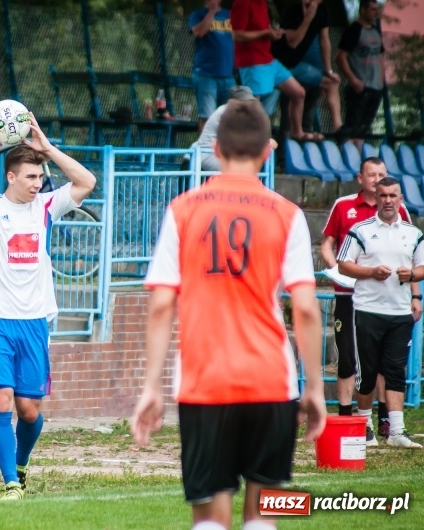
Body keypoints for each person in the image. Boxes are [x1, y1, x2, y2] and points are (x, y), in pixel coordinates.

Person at [131, 99, 326, 530]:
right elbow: (307, 310)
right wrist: (313, 386)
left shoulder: (182, 210)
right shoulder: (287, 215)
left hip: (204, 383)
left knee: (210, 520)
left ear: (215, 150)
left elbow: (162, 303)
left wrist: (151, 388)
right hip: (270, 380)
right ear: (268, 150)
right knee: (264, 517)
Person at [0, 112, 96, 500]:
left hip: (34, 322)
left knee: (29, 410)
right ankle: (10, 483)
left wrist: (47, 149)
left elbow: (87, 181)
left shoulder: (48, 206)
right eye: (30, 176)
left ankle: (20, 464)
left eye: (40, 177)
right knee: (0, 399)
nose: (38, 183)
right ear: (11, 176)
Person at [320, 157, 414, 444]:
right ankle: (351, 418)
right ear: (361, 178)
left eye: (382, 175)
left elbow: (409, 254)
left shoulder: (400, 212)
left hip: (387, 299)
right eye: (372, 175)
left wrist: (415, 294)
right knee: (350, 358)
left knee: (388, 361)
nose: (377, 180)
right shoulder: (344, 206)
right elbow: (328, 244)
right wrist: (339, 273)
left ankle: (387, 421)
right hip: (350, 296)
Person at [337, 176, 423, 449]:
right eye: (383, 195)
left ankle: (397, 430)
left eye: (392, 195)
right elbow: (343, 265)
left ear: (400, 198)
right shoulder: (360, 230)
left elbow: (422, 267)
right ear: (376, 196)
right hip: (367, 309)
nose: (388, 200)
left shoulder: (413, 233)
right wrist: (370, 272)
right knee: (368, 372)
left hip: (399, 313)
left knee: (395, 369)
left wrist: (412, 277)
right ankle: (365, 427)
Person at [230, 0, 308, 140]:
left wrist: (273, 31)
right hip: (252, 62)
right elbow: (237, 35)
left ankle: (297, 132)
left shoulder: (263, 2)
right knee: (254, 106)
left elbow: (262, 28)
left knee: (298, 93)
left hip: (269, 60)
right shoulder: (242, 2)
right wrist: (266, 33)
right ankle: (251, 144)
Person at [272, 0, 342, 140]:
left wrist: (328, 71)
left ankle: (339, 130)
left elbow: (324, 40)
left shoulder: (322, 12)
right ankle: (293, 134)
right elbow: (293, 42)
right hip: (279, 64)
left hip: (297, 65)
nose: (307, 0)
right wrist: (308, 19)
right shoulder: (293, 11)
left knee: (331, 83)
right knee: (295, 95)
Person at [336, 0, 385, 148]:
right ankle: (346, 154)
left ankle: (358, 158)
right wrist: (353, 79)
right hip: (359, 85)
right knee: (352, 125)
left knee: (364, 127)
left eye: (377, 9)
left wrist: (382, 80)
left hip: (376, 85)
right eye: (372, 9)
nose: (376, 13)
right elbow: (341, 57)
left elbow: (381, 55)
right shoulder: (354, 30)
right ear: (363, 10)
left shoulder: (376, 30)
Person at [192, 85, 277, 172]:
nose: (247, 104)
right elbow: (242, 141)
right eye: (243, 101)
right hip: (206, 155)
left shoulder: (243, 113)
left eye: (249, 101)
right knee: (242, 167)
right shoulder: (225, 112)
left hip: (219, 155)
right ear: (231, 102)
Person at [189, 0, 235, 132]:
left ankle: (223, 152)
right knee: (207, 118)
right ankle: (203, 152)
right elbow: (199, 32)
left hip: (228, 75)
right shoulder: (197, 15)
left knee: (228, 119)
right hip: (206, 74)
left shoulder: (230, 15)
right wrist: (211, 12)